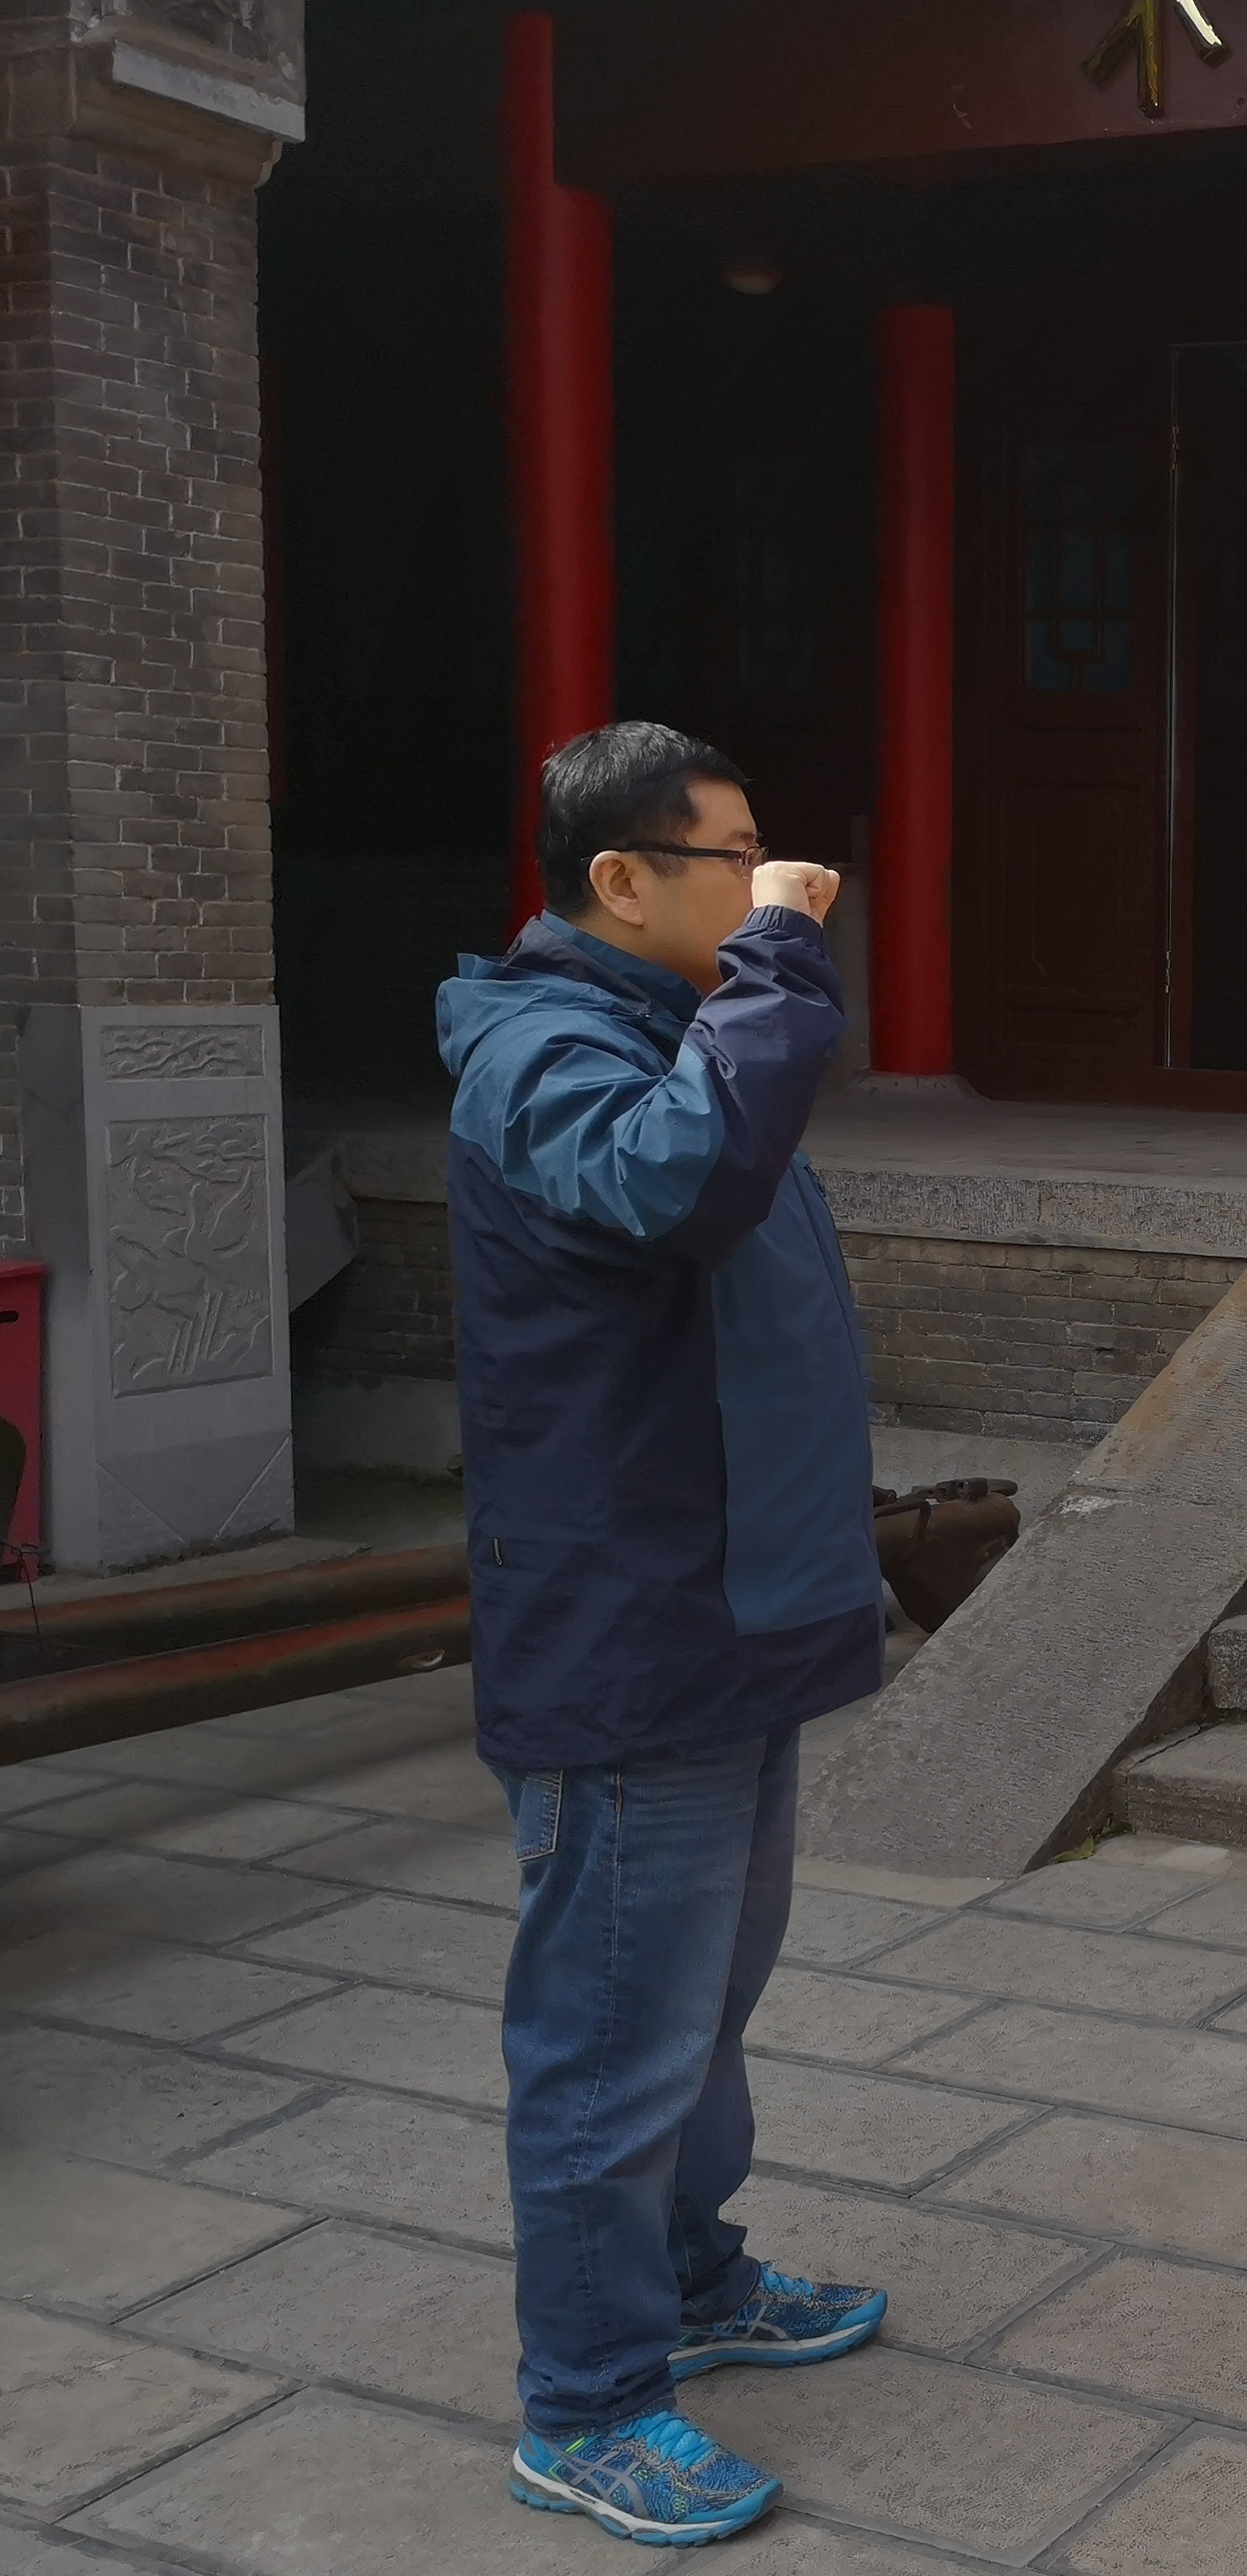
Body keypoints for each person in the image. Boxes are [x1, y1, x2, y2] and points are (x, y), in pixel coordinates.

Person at [439, 721, 888, 2548]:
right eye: (735, 858)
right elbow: (678, 1184)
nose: (775, 884)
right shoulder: (543, 1051)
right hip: (633, 1624)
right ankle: (591, 2400)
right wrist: (781, 963)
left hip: (732, 1605)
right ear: (620, 882)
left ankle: (693, 2277)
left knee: (700, 2002)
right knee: (614, 2030)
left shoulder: (661, 1026)